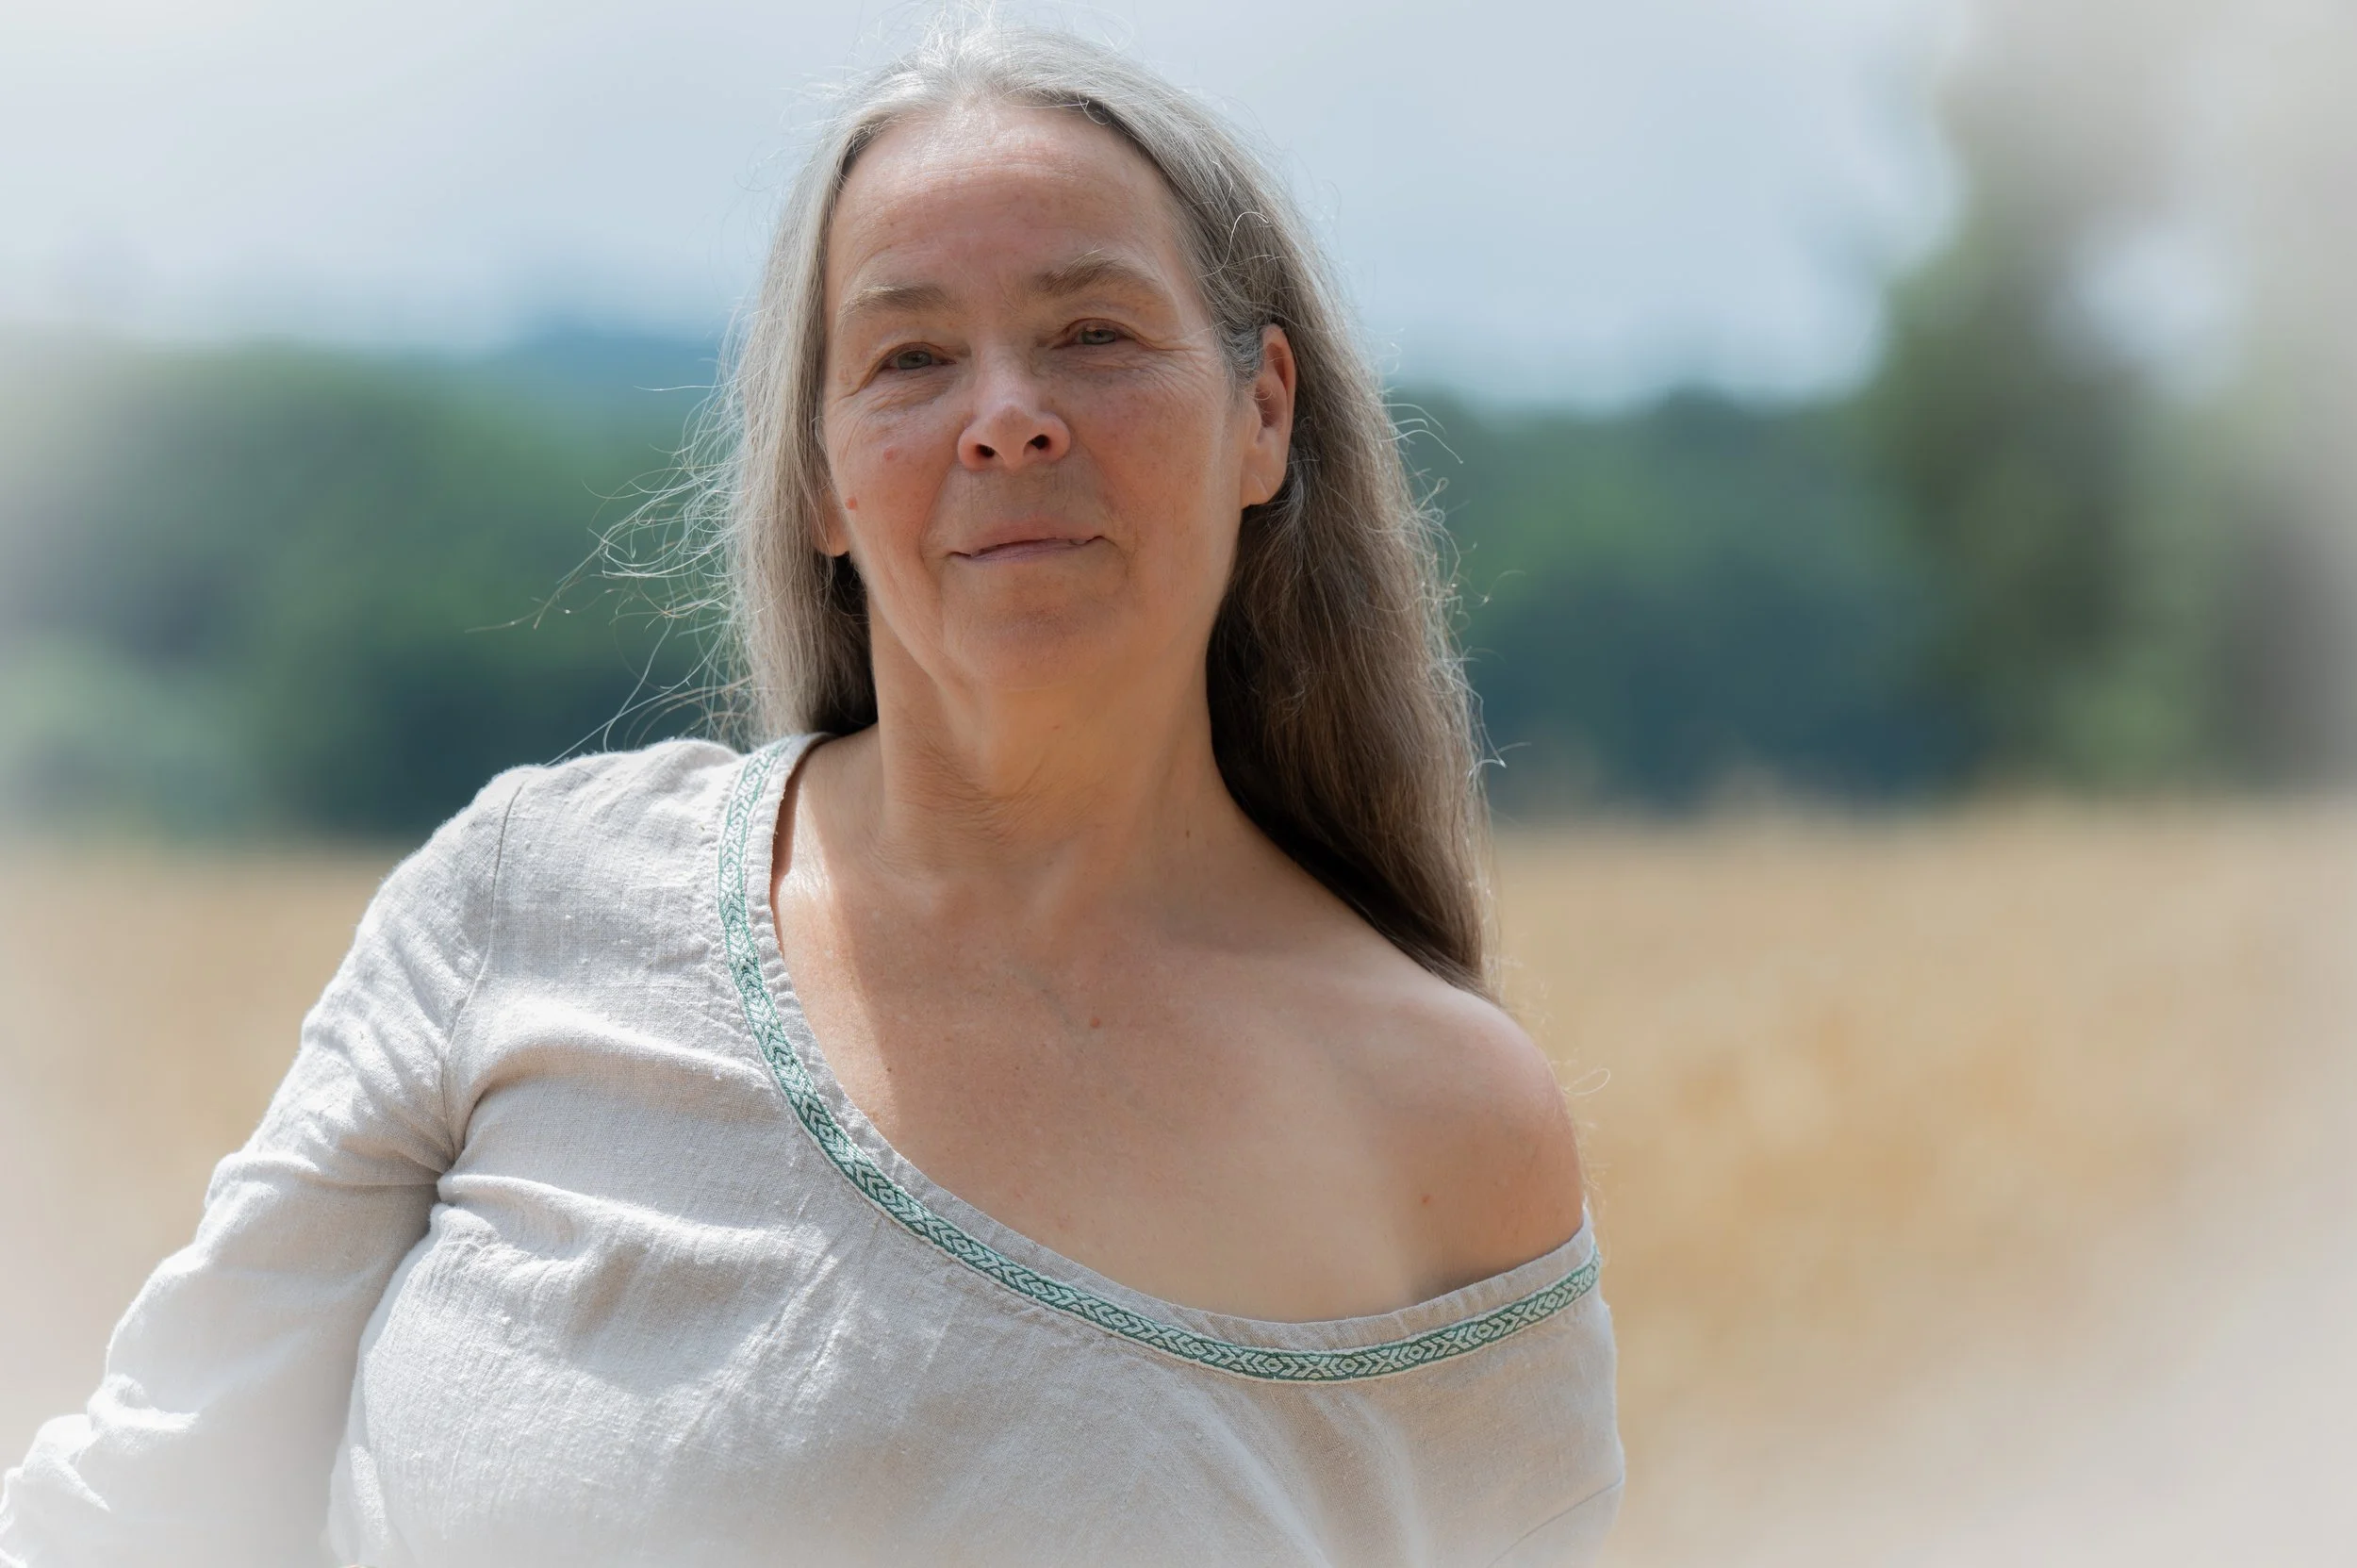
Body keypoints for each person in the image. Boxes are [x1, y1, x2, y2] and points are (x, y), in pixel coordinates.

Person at [0, 20, 1622, 1566]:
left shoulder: (1446, 1131)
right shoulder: (524, 900)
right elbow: (135, 1506)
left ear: (1264, 412)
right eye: (911, 355)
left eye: (1092, 334)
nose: (1006, 416)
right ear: (819, 482)